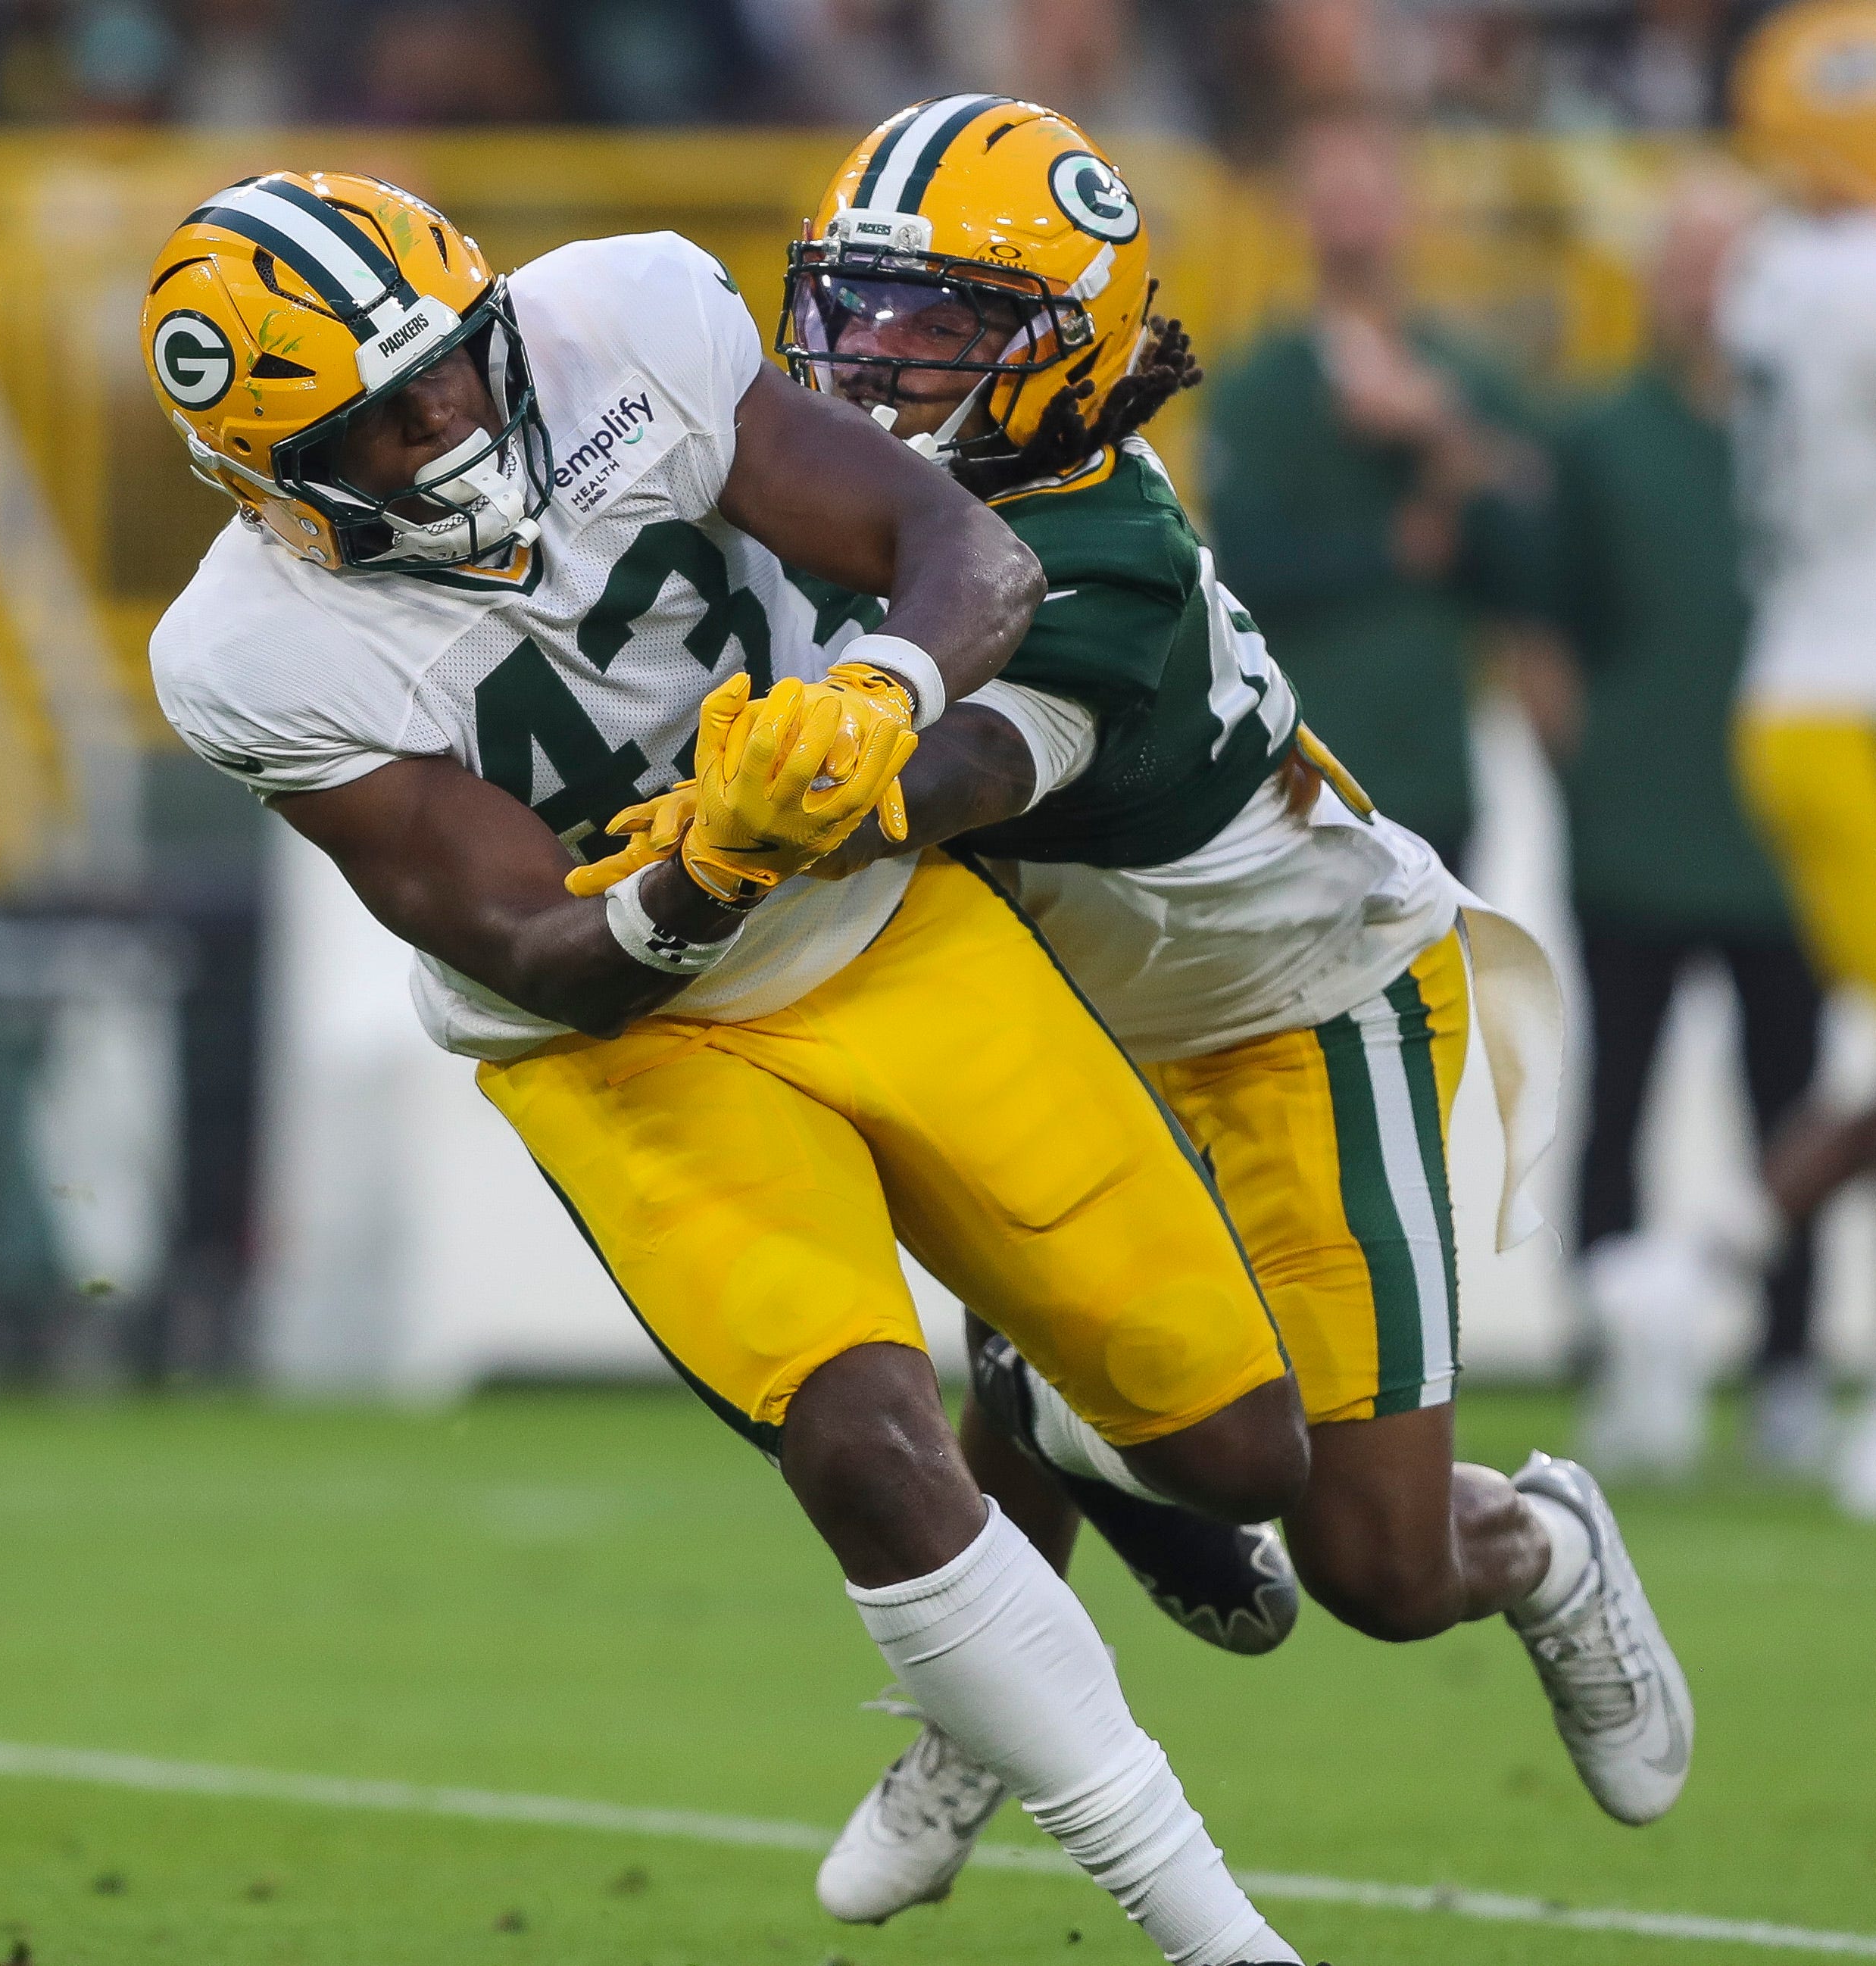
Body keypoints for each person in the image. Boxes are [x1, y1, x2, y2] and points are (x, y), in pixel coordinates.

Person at [144, 167, 1313, 1964]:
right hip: (620, 1044)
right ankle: (1211, 1924)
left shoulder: (623, 318)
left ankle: (1053, 1385)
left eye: (450, 363)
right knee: (858, 1434)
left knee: (1239, 1450)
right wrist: (709, 866)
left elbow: (971, 556)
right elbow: (537, 944)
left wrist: (880, 701)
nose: (444, 415)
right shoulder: (248, 653)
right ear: (270, 482)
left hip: (884, 929)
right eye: (380, 422)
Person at [581, 96, 1690, 1921]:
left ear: (1058, 349)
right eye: (852, 306)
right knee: (1011, 1398)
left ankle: (1541, 1535)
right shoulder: (829, 475)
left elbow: (946, 772)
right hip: (1078, 1020)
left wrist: (774, 800)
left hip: (1301, 1006)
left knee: (1380, 1565)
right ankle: (990, 1703)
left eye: (935, 323)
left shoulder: (1092, 554)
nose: (867, 360)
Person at [1545, 169, 1832, 1480]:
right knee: (1620, 1090)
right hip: (1651, 814)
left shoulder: (1821, 412)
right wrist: (1579, 757)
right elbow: (1540, 621)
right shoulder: (1608, 434)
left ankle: (1783, 1363)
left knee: (1797, 1084)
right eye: (1687, 260)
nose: (1706, 287)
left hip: (1784, 818)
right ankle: (1614, 1348)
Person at [1689, 0, 1876, 1518]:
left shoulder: (1775, 273)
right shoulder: (1840, 277)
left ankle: (1685, 1275)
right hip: (1848, 701)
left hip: (1808, 685)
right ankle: (1698, 1275)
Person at [1203, 108, 1555, 872]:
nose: (1351, 221)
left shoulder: (1461, 374)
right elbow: (1247, 566)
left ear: (1408, 208)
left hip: (1431, 760)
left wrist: (1443, 434)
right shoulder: (1259, 384)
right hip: (1297, 766)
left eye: (1368, 195)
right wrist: (1392, 547)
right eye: (1331, 197)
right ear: (1296, 214)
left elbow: (1529, 563)